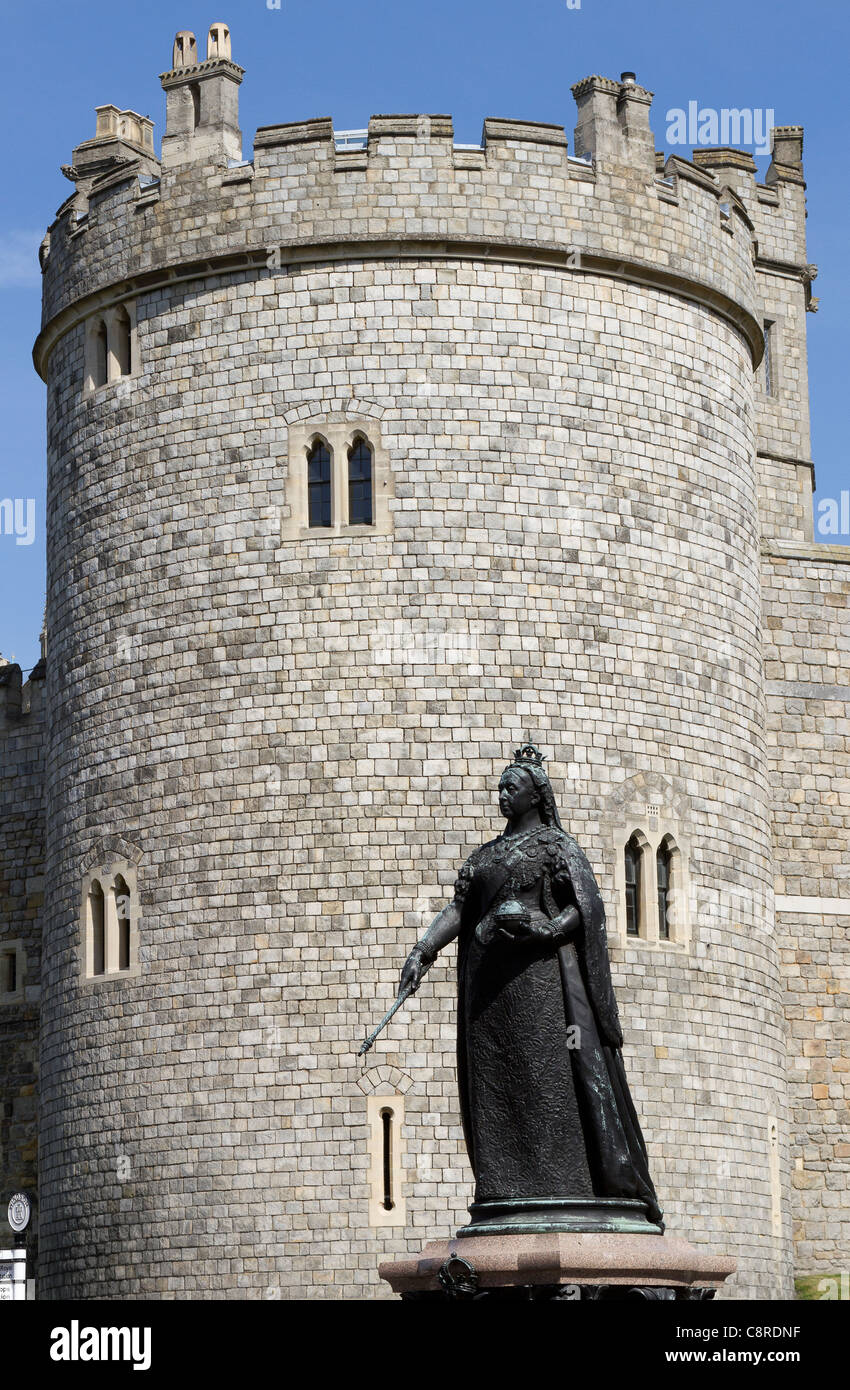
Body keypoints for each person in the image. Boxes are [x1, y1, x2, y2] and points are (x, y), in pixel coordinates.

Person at [400, 742, 663, 1232]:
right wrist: (423, 950)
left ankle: (565, 1185)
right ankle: (506, 1188)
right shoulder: (484, 857)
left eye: (511, 787)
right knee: (499, 1087)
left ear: (535, 795)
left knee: (550, 1081)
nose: (502, 794)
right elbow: (459, 911)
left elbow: (586, 908)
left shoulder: (555, 847)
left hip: (543, 989)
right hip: (489, 994)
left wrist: (545, 928)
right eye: (500, 786)